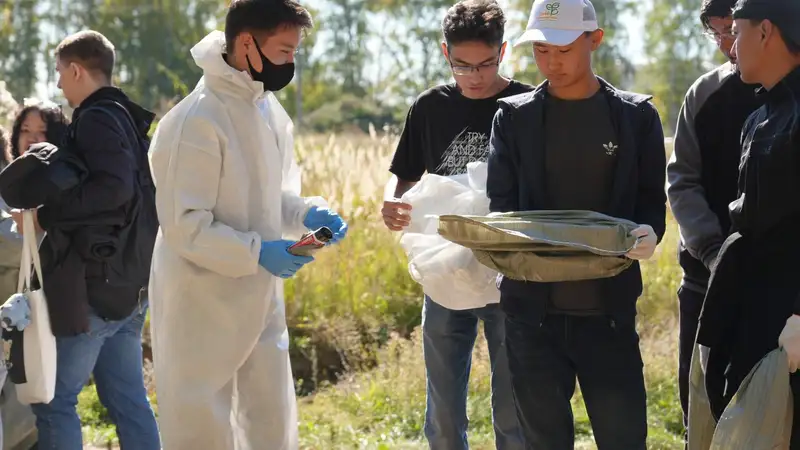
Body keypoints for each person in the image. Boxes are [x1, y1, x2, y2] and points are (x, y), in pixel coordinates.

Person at [147, 1, 348, 449]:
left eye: (295, 52)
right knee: (203, 428)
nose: (290, 63)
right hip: (200, 302)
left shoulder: (266, 110)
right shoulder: (196, 121)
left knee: (270, 423)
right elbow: (185, 226)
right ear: (246, 44)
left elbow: (267, 195)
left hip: (258, 297)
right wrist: (258, 251)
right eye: (284, 51)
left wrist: (305, 213)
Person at [486, 0, 667, 448]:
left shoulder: (636, 118)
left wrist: (650, 232)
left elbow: (650, 201)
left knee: (624, 439)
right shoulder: (513, 118)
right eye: (541, 50)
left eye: (564, 49)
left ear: (595, 40)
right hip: (532, 317)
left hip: (608, 315)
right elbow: (501, 208)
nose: (552, 61)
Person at [381, 1, 528, 448]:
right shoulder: (430, 106)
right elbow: (403, 175)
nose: (475, 76)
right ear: (446, 53)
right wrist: (392, 200)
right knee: (443, 411)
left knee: (513, 410)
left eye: (485, 64)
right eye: (462, 65)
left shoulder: (526, 105)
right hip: (444, 271)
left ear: (502, 51)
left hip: (509, 273)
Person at [15, 30, 162, 450]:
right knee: (128, 400)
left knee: (53, 401)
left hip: (98, 291)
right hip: (130, 285)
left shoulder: (96, 118)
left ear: (77, 70)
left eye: (60, 72)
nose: (59, 83)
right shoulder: (126, 117)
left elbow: (113, 190)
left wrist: (43, 217)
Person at [695, 0, 800, 443]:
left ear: (766, 31)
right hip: (755, 317)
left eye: (736, 32)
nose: (732, 47)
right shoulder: (759, 117)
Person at [665, 0, 761, 433]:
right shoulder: (704, 95)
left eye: (732, 30)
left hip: (773, 286)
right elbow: (681, 182)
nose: (727, 44)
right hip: (705, 281)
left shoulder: (788, 94)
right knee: (702, 410)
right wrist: (711, 251)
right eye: (716, 32)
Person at [6, 99, 69, 164]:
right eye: (25, 130)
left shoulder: (65, 169)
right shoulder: (10, 169)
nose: (31, 139)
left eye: (42, 132)